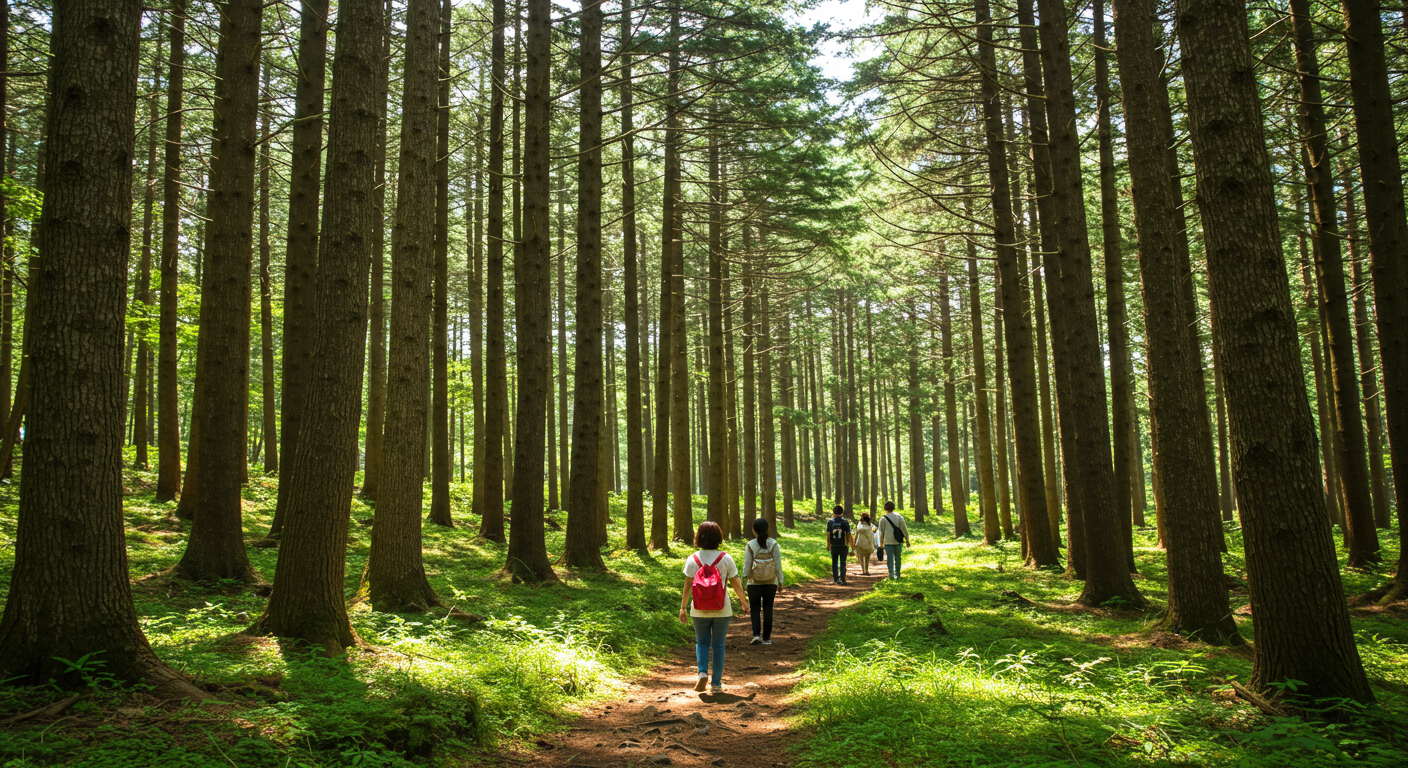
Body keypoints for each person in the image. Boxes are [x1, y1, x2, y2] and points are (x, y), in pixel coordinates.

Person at [679, 521, 748, 693]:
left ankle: (702, 672)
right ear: (719, 537)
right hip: (722, 609)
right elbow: (736, 583)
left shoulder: (692, 559)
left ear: (698, 537)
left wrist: (683, 608)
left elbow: (687, 586)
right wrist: (744, 602)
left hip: (699, 609)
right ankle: (716, 684)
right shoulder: (725, 558)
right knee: (718, 645)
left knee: (702, 642)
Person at [743, 518, 784, 645]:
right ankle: (766, 638)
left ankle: (756, 635)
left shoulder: (750, 545)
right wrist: (780, 581)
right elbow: (778, 565)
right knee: (768, 609)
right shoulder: (774, 544)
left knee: (755, 609)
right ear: (767, 529)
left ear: (754, 530)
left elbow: (747, 566)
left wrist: (745, 579)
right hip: (771, 582)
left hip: (754, 583)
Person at [877, 501, 910, 579]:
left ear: (885, 508)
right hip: (898, 541)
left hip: (888, 542)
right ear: (893, 508)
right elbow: (904, 529)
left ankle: (891, 575)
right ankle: (898, 574)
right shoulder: (899, 517)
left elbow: (881, 532)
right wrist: (907, 539)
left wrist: (881, 543)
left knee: (890, 559)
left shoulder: (883, 519)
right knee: (898, 558)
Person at [826, 505, 851, 584]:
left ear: (834, 512)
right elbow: (848, 534)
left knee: (834, 562)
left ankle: (836, 579)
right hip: (843, 545)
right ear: (842, 512)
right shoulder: (845, 522)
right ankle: (843, 579)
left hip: (834, 545)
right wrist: (849, 543)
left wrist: (828, 544)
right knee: (843, 561)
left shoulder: (830, 522)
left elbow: (828, 535)